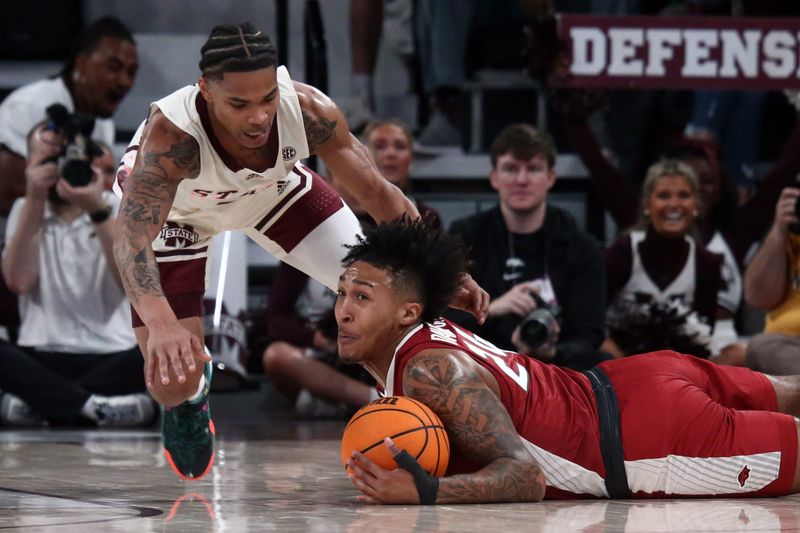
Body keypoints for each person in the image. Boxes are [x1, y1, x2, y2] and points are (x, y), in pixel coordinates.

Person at [113, 23, 488, 481]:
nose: (258, 117)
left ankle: (439, 418)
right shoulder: (173, 139)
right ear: (206, 91)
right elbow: (130, 239)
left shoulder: (308, 110)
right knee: (171, 382)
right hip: (178, 219)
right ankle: (191, 399)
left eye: (267, 98)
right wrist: (163, 324)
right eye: (239, 103)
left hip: (270, 192)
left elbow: (378, 193)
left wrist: (442, 270)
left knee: (390, 297)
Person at [340, 219, 800, 504]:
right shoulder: (426, 330)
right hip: (636, 380)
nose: (343, 310)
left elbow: (524, 477)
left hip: (644, 440)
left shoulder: (428, 371)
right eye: (341, 293)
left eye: (361, 297)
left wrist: (425, 490)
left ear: (407, 311)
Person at [0, 121, 154, 428]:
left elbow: (131, 285)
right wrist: (35, 200)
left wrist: (97, 210)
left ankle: (42, 405)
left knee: (156, 350)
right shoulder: (25, 207)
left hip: (113, 353)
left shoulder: (118, 207)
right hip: (42, 353)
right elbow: (19, 282)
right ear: (30, 164)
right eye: (47, 160)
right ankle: (95, 408)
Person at [448, 123, 606, 370]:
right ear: (494, 177)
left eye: (533, 169)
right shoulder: (465, 236)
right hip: (484, 364)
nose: (522, 180)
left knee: (604, 364)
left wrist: (553, 350)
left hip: (559, 368)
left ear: (550, 177)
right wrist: (493, 309)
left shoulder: (581, 246)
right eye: (511, 169)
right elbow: (442, 318)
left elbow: (590, 334)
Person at [0, 16, 137, 220]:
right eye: (113, 67)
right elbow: (5, 195)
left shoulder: (103, 123)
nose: (125, 81)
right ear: (81, 63)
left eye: (131, 72)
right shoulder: (28, 107)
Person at [603, 159, 727, 358]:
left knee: (736, 354)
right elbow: (592, 325)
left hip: (679, 369)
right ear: (647, 204)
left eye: (683, 196)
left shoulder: (707, 262)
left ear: (695, 203)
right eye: (663, 196)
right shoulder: (623, 252)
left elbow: (703, 336)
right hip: (620, 363)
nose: (674, 205)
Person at [743, 187, 800, 374]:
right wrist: (778, 230)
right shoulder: (792, 231)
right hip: (788, 349)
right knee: (760, 347)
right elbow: (757, 297)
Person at [363, 118, 441, 227]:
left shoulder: (429, 217)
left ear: (411, 159)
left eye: (400, 146)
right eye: (380, 146)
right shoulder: (350, 215)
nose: (390, 153)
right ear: (364, 155)